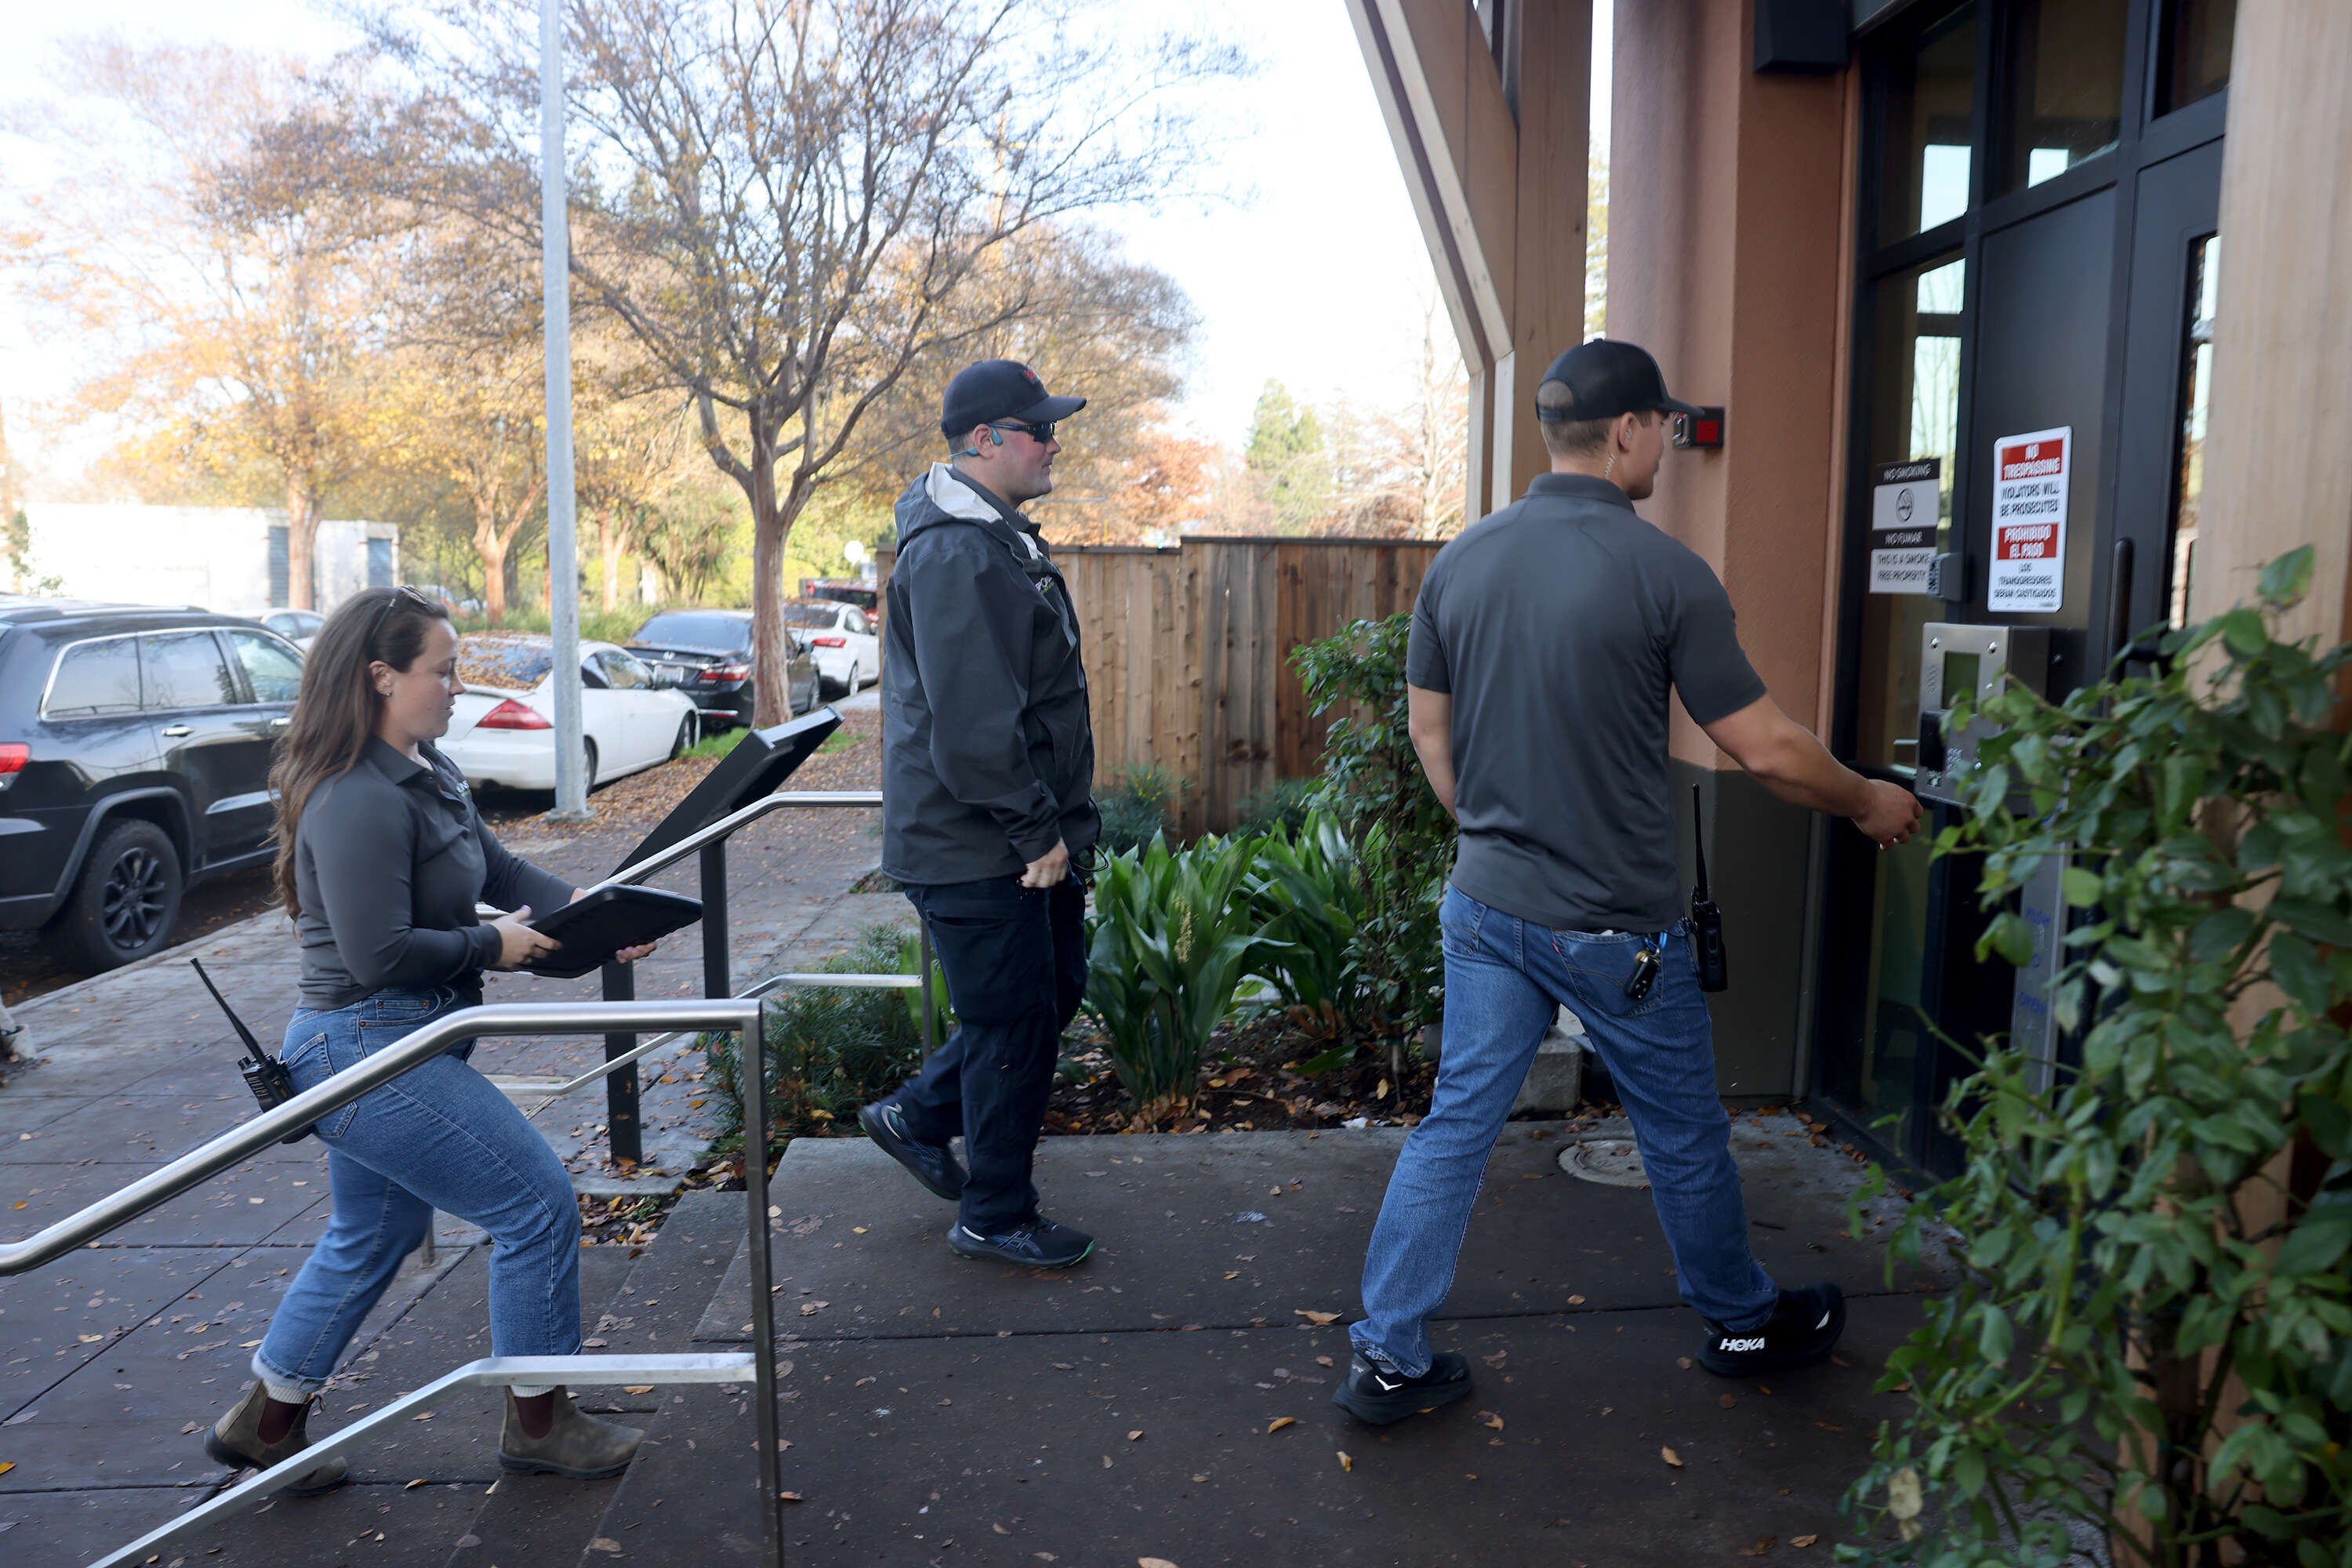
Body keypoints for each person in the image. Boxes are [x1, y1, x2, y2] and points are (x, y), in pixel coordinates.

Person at [1332, 339, 1922, 1426]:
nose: (1672, 444)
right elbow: (1768, 751)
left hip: (1487, 908)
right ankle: (1740, 1318)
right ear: (1628, 433)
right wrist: (1866, 800)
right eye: (1665, 426)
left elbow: (1429, 729)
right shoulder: (1664, 574)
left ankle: (1387, 1355)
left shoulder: (1462, 560)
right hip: (1619, 934)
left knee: (1456, 1121)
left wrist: (1497, 836)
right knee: (1682, 1132)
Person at [201, 585, 659, 1492]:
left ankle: (268, 1419)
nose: (457, 686)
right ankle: (540, 1420)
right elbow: (378, 955)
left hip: (397, 1038)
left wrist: (596, 913)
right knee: (535, 1206)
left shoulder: (427, 767)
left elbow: (500, 866)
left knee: (375, 1231)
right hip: (364, 1046)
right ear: (381, 677)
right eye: (441, 671)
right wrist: (498, 943)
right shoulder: (354, 796)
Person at [857, 359, 1102, 1270]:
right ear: (988, 440)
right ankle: (995, 1211)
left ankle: (919, 1114)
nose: (1055, 441)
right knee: (1013, 1025)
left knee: (1046, 996)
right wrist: (1035, 831)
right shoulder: (959, 548)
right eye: (1040, 429)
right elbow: (971, 727)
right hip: (982, 843)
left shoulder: (990, 536)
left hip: (1008, 835)